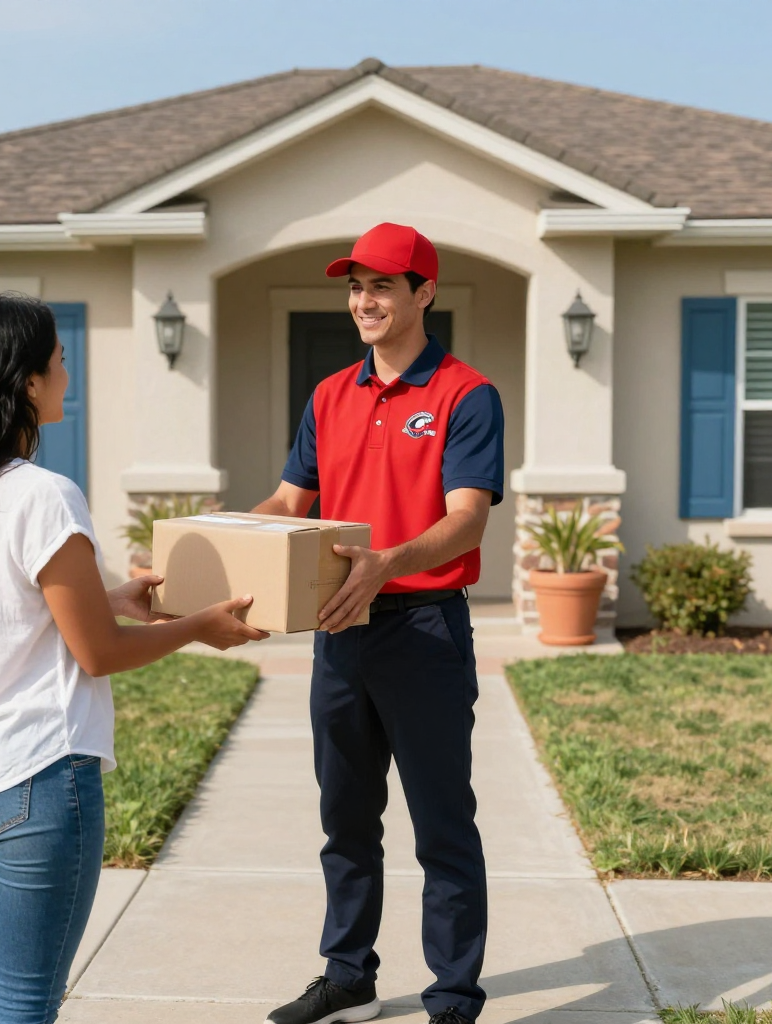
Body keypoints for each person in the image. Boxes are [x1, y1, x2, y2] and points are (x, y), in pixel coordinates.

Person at [0, 294, 267, 1024]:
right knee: (25, 997)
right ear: (27, 382)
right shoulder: (43, 496)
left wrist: (117, 595)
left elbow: (12, 610)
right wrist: (198, 626)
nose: (69, 370)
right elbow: (96, 652)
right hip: (35, 779)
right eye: (60, 359)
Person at [255, 224, 505, 1024]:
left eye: (383, 286)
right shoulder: (329, 395)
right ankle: (347, 970)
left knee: (442, 826)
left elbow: (467, 521)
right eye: (355, 285)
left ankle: (454, 997)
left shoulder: (466, 395)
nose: (363, 300)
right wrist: (209, 545)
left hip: (424, 631)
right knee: (345, 817)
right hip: (340, 635)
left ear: (424, 292)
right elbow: (288, 505)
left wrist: (386, 563)